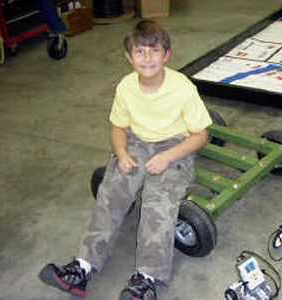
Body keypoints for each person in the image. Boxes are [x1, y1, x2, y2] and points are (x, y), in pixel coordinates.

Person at [38, 20, 212, 300]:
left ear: (166, 55)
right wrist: (122, 154)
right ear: (129, 57)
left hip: (174, 145)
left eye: (153, 51)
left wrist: (167, 157)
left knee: (157, 204)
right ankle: (82, 268)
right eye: (139, 52)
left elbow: (200, 135)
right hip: (136, 142)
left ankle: (147, 279)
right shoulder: (125, 87)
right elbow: (118, 127)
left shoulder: (182, 88)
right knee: (111, 194)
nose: (146, 58)